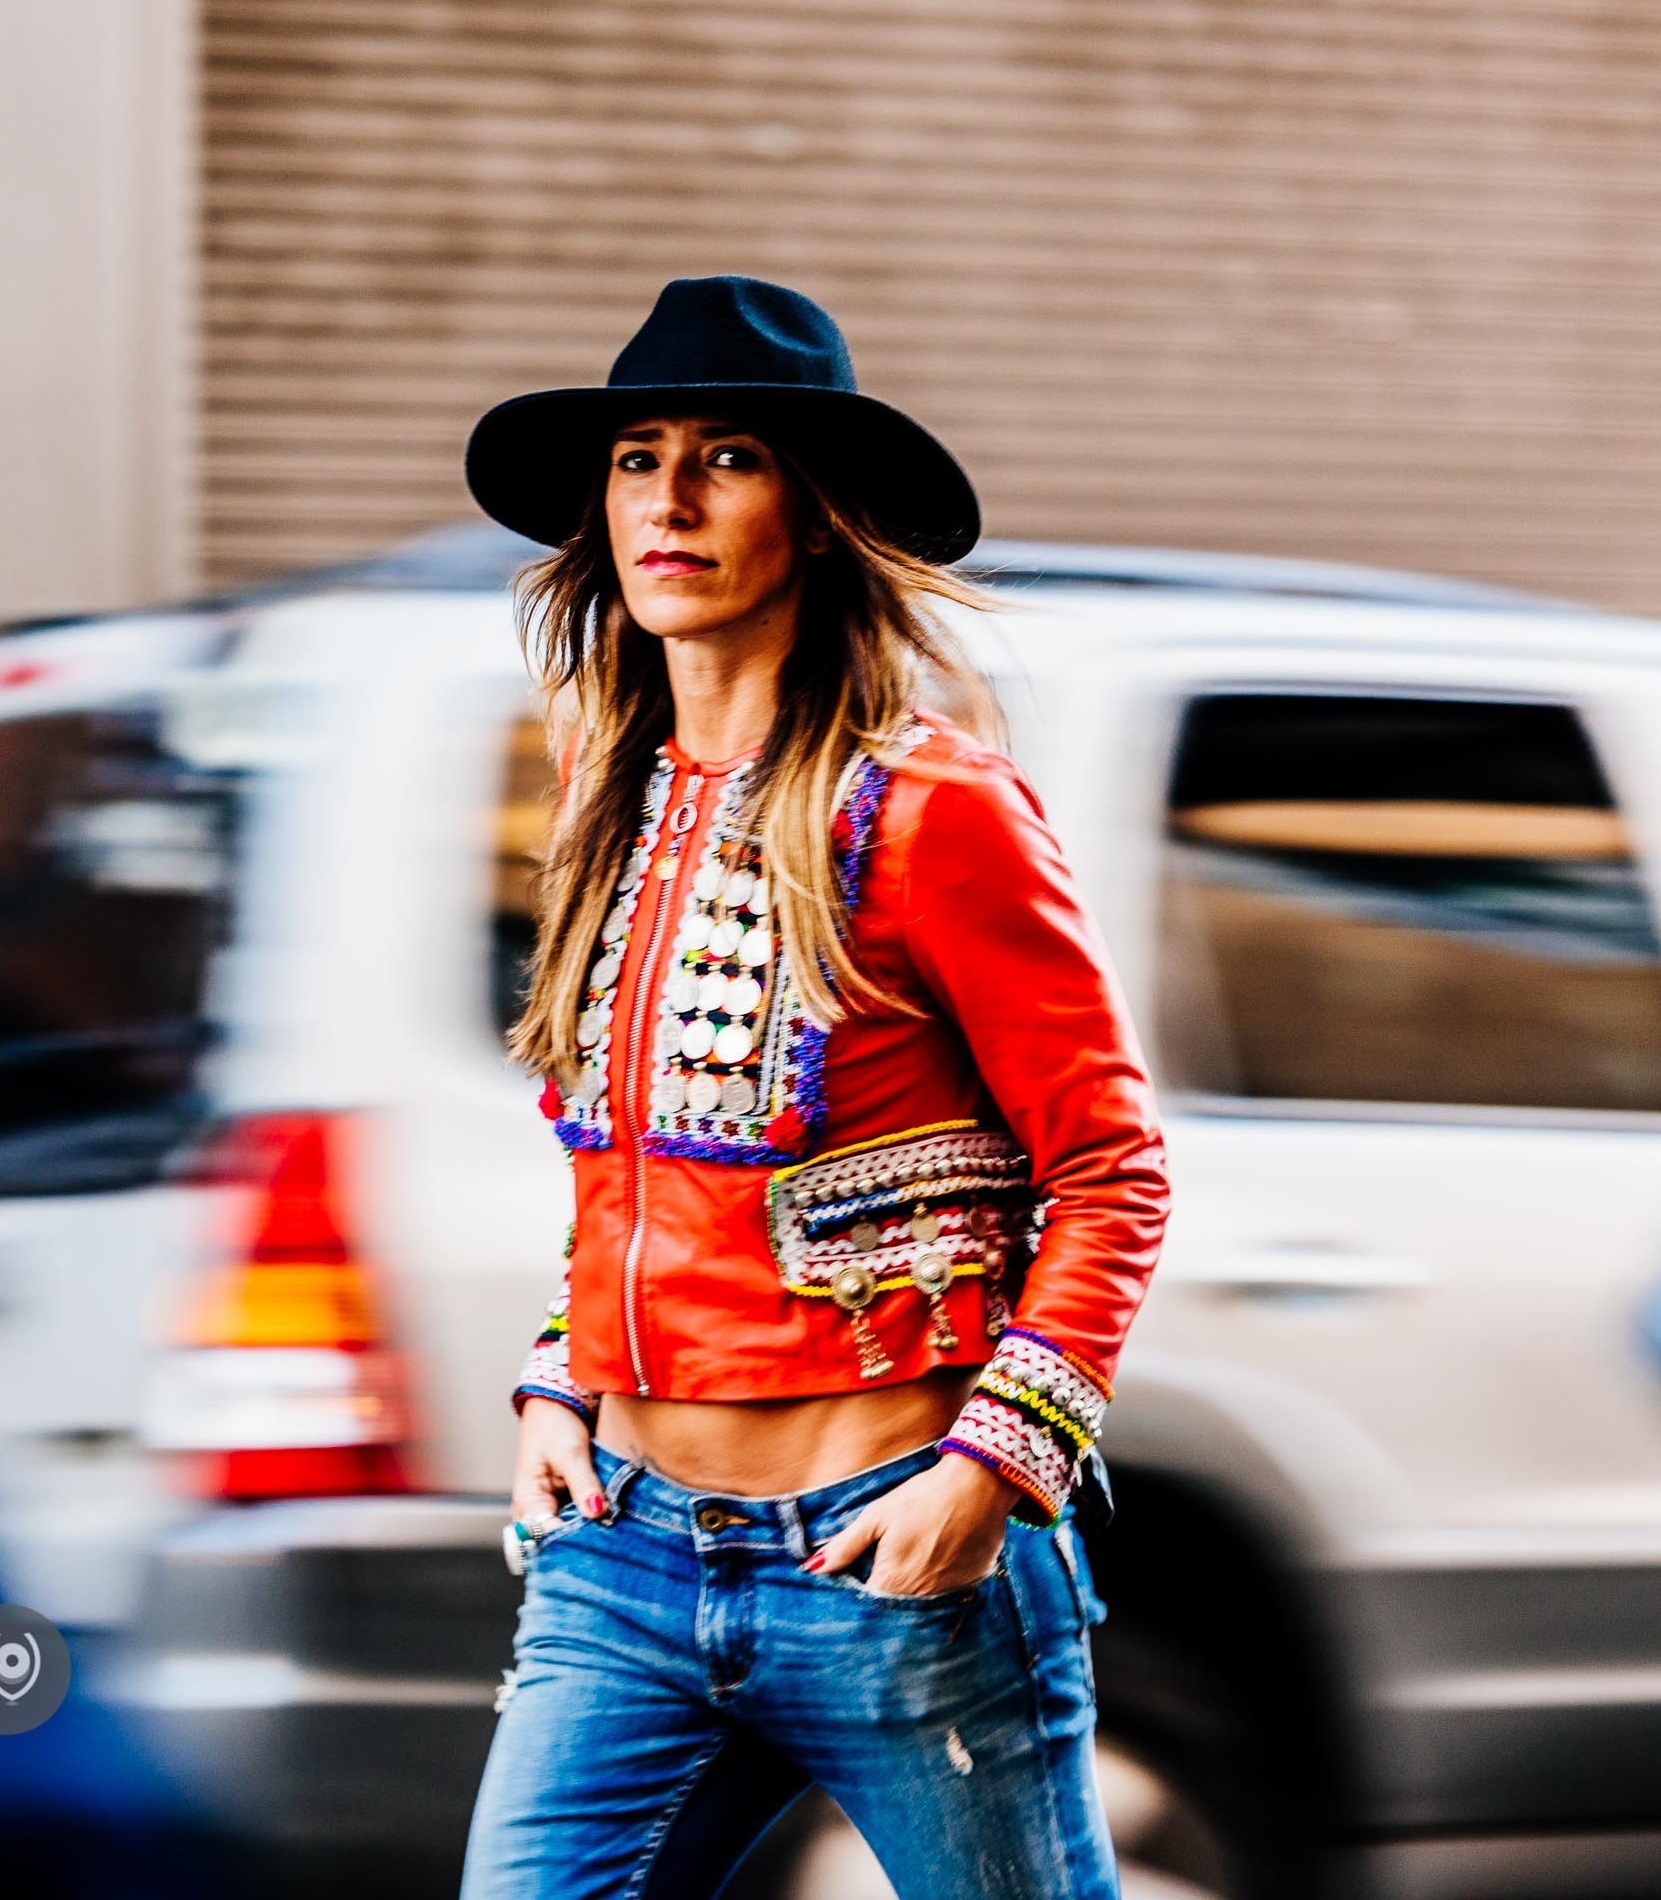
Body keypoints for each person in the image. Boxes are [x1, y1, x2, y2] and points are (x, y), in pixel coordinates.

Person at [457, 275, 1171, 1900]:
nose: (669, 499)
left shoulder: (938, 811)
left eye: (728, 458)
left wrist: (995, 1472)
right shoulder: (597, 790)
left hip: (888, 1559)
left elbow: (1113, 1170)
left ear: (822, 516)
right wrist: (559, 1384)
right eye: (638, 458)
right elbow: (629, 1171)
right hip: (619, 1565)